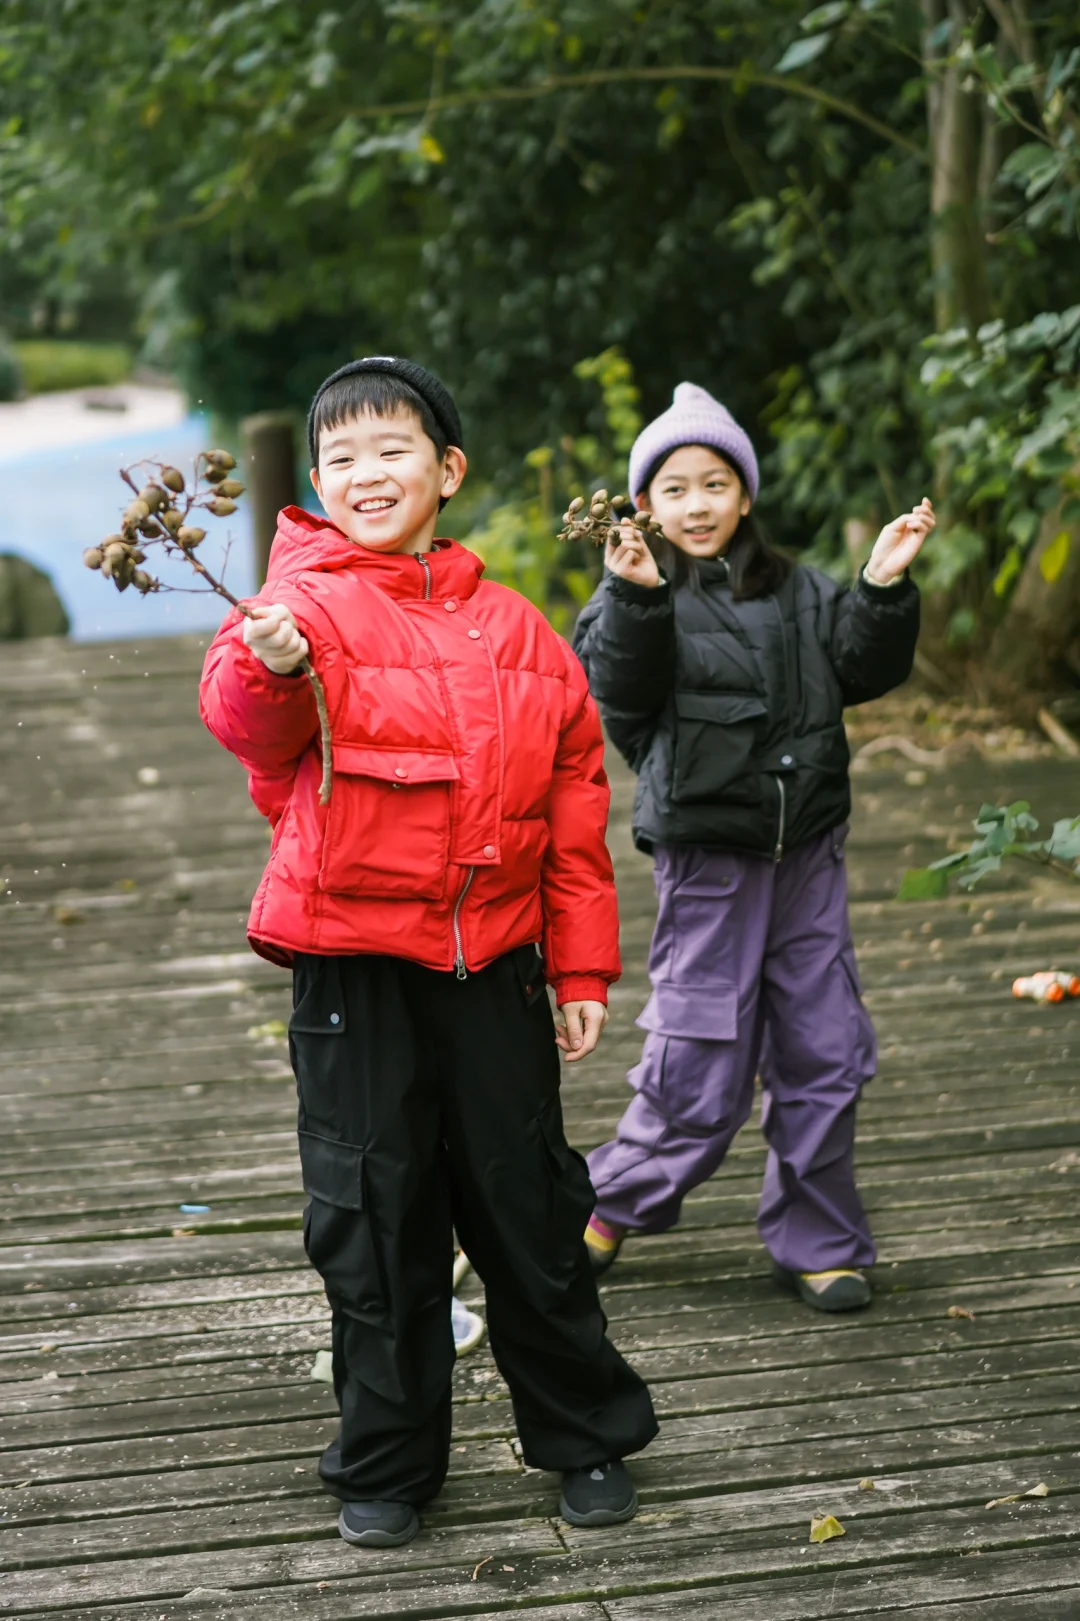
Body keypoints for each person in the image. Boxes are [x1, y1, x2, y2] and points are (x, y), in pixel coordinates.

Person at [200, 357, 656, 1549]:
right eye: (340, 457)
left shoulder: (521, 631)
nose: (366, 474)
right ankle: (389, 1460)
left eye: (392, 450)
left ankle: (585, 1434)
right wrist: (273, 661)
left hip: (495, 965)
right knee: (376, 1210)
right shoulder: (297, 608)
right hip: (354, 972)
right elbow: (248, 721)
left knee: (530, 1205)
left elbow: (573, 811)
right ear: (314, 481)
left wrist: (581, 969)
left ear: (447, 471)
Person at [572, 382, 933, 1313]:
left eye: (717, 484)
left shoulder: (804, 589)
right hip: (710, 864)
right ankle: (606, 1203)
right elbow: (618, 682)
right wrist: (635, 595)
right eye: (676, 488)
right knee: (699, 1058)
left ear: (746, 496)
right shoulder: (637, 596)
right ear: (644, 504)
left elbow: (862, 666)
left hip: (808, 852)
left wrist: (882, 587)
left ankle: (819, 1240)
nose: (697, 505)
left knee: (825, 1046)